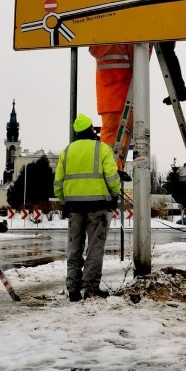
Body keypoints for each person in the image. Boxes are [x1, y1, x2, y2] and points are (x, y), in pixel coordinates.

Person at [54, 113, 121, 301]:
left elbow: (58, 183)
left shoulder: (66, 152)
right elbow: (112, 177)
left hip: (74, 207)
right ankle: (91, 288)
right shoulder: (102, 149)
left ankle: (73, 289)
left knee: (74, 247)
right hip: (98, 206)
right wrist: (114, 195)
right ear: (91, 129)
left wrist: (63, 202)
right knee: (94, 248)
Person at [89, 43, 186, 146]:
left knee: (123, 136)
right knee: (114, 134)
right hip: (113, 96)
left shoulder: (132, 38)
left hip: (129, 95)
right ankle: (110, 162)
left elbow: (144, 56)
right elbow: (96, 49)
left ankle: (113, 161)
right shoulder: (106, 34)